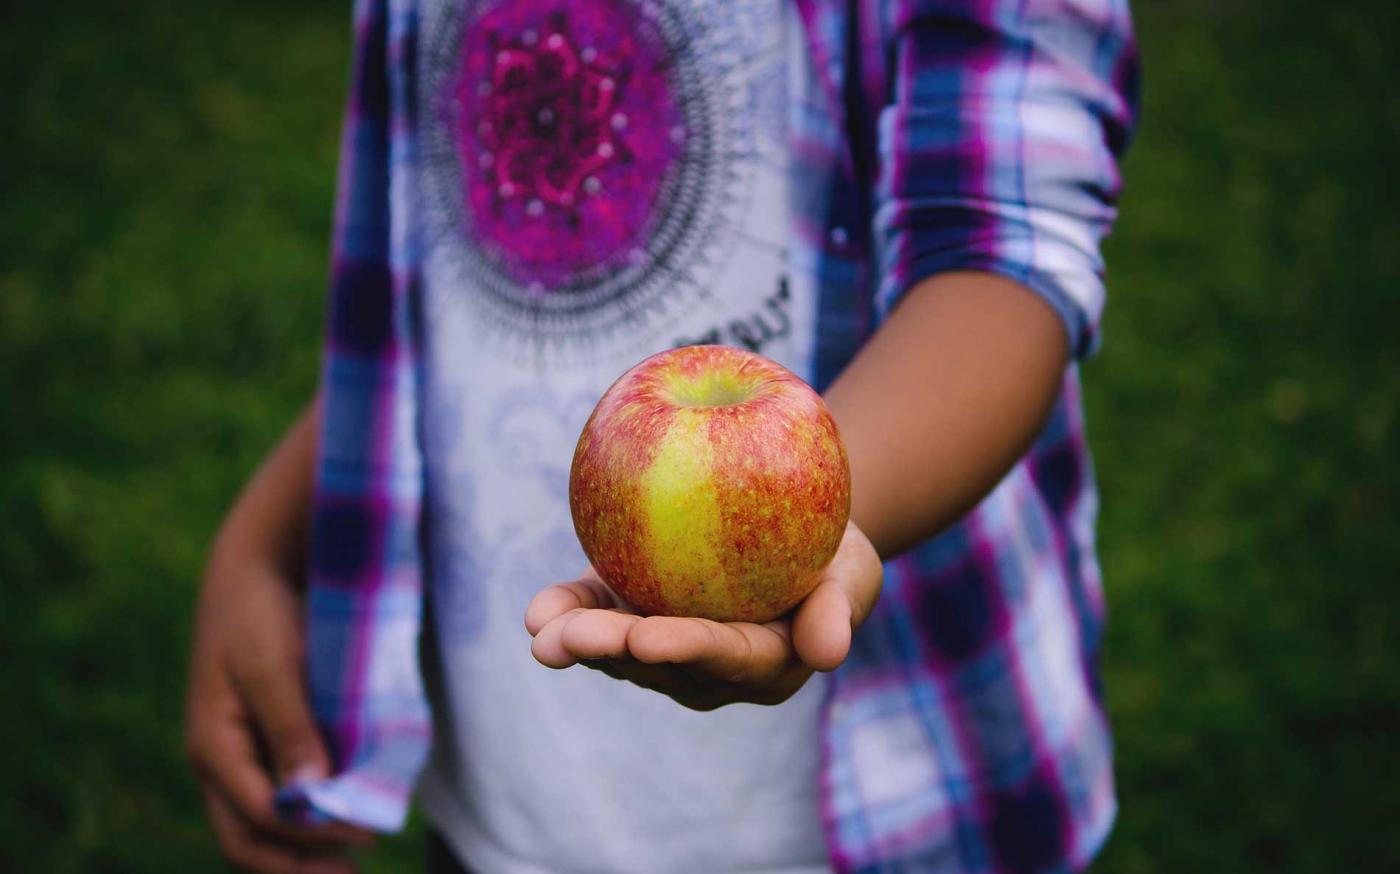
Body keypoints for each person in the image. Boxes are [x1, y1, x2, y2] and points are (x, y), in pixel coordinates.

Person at [184, 0, 1139, 871]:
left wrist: (823, 525)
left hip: (880, 796)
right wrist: (263, 537)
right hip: (511, 781)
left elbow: (1001, 255)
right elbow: (443, 288)